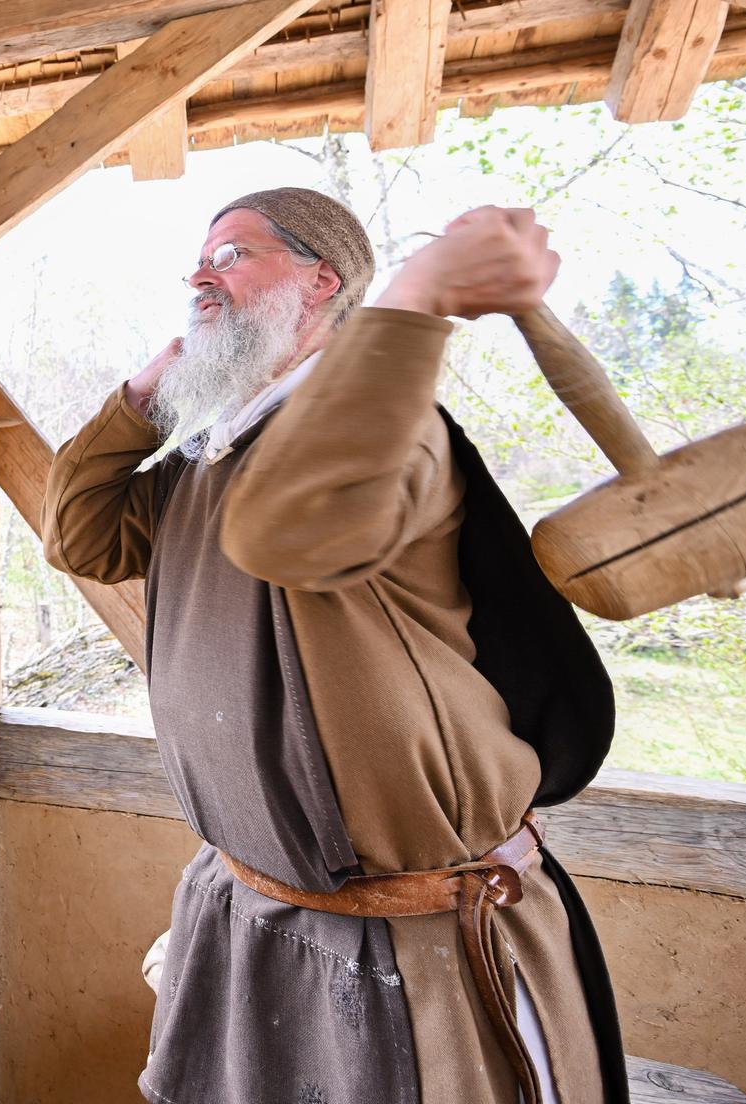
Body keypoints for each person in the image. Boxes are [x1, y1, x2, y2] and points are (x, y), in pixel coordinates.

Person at [42, 189, 625, 1104]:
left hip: (415, 939)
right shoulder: (205, 464)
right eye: (199, 261)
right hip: (253, 905)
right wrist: (141, 400)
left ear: (322, 280)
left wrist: (415, 299)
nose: (199, 276)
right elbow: (78, 537)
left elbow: (299, 524)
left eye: (231, 255)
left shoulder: (392, 431)